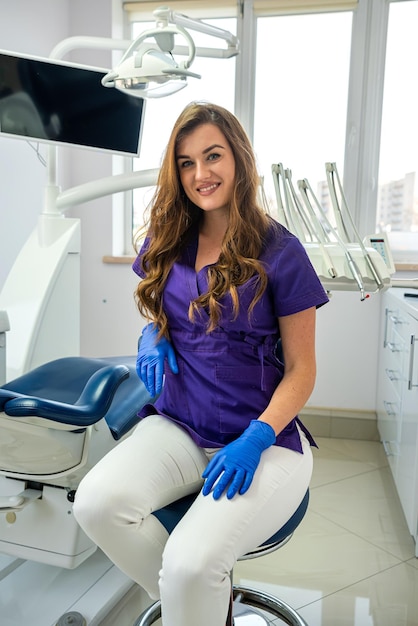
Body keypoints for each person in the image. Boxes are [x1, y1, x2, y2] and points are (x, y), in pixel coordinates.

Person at [73, 101, 329, 626]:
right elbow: (167, 318)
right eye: (186, 162)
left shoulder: (281, 252)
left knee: (191, 564)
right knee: (96, 505)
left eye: (212, 156)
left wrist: (256, 440)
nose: (200, 174)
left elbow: (303, 369)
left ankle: (199, 599)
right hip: (180, 424)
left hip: (263, 440)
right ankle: (210, 610)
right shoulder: (168, 241)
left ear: (237, 158)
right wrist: (151, 336)